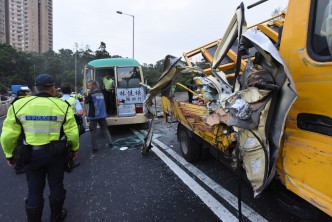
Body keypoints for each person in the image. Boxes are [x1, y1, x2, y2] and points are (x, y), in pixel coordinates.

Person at [1, 74, 79, 222]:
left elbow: (7, 136)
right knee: (56, 185)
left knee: (34, 189)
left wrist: (9, 155)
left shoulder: (19, 105)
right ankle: (56, 216)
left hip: (31, 155)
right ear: (53, 88)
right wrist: (74, 149)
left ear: (35, 88)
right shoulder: (62, 105)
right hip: (56, 154)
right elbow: (72, 133)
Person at [84, 80, 112, 153]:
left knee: (93, 132)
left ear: (94, 85)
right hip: (102, 115)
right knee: (105, 129)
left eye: (89, 85)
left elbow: (86, 101)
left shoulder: (91, 94)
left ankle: (94, 148)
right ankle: (110, 143)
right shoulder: (101, 93)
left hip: (94, 116)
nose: (88, 87)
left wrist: (84, 98)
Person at [61, 82, 84, 167]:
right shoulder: (74, 100)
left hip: (61, 124)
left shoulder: (58, 101)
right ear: (71, 91)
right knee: (72, 139)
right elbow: (81, 113)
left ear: (61, 92)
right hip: (72, 123)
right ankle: (70, 160)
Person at [11, 89, 30, 175]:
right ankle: (18, 166)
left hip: (15, 128)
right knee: (20, 146)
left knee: (19, 145)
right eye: (28, 93)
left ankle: (20, 163)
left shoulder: (14, 103)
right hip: (20, 128)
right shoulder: (23, 103)